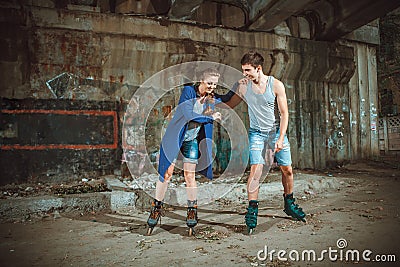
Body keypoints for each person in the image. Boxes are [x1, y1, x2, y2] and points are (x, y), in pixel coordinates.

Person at [219, 51, 305, 234]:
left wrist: (281, 138)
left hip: (275, 133)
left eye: (248, 70)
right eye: (243, 70)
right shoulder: (243, 87)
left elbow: (284, 114)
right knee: (256, 169)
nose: (245, 74)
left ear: (258, 68)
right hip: (256, 134)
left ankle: (289, 203)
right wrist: (208, 104)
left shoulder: (276, 85)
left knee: (287, 170)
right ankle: (252, 211)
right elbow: (229, 104)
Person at [146, 68, 222, 235]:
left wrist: (241, 85)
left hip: (191, 141)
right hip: (174, 138)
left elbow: (230, 98)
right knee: (166, 173)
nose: (212, 86)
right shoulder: (188, 91)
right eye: (209, 82)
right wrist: (211, 117)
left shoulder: (211, 99)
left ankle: (192, 209)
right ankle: (156, 207)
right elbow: (189, 115)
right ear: (201, 80)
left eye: (215, 84)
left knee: (190, 176)